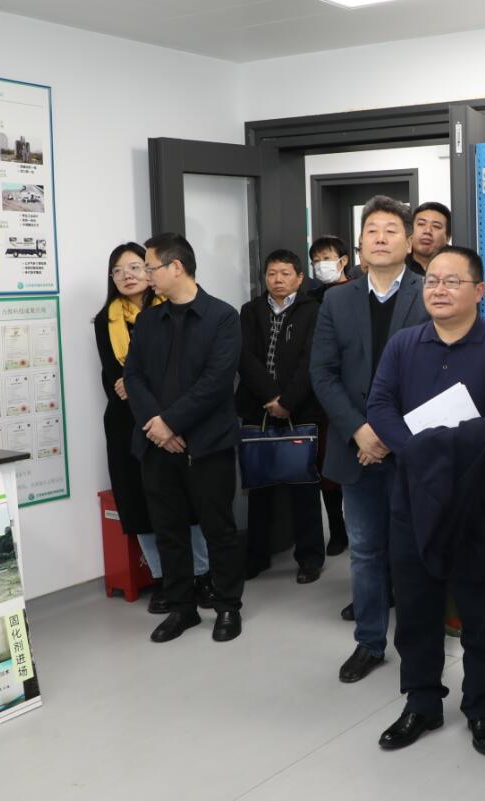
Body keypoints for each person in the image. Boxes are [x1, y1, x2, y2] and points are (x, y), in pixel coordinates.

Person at [366, 245, 485, 754]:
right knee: (416, 611)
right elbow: (379, 405)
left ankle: (481, 707)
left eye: (452, 281)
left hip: (479, 500)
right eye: (432, 280)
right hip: (413, 498)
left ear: (479, 291)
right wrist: (416, 449)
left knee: (482, 613)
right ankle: (421, 704)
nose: (438, 289)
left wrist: (429, 447)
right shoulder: (403, 344)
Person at [310, 196, 430, 682]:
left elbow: (437, 372)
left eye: (390, 230)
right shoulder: (336, 300)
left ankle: (420, 644)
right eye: (372, 231)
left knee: (415, 550)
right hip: (355, 446)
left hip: (412, 448)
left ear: (409, 242)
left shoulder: (429, 292)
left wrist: (388, 433)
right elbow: (323, 373)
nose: (380, 238)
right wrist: (360, 430)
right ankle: (370, 642)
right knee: (363, 550)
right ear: (359, 244)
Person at [124, 232, 244, 644]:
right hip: (157, 444)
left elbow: (216, 382)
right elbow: (133, 376)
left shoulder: (222, 317)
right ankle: (182, 608)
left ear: (176, 267)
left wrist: (171, 423)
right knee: (169, 529)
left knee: (218, 529)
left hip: (208, 444)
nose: (146, 276)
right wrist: (157, 426)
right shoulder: (148, 320)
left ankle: (228, 605)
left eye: (150, 267)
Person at [93, 243, 214, 614]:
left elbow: (173, 374)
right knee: (138, 504)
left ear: (151, 271)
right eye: (118, 271)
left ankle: (200, 574)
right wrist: (134, 388)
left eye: (135, 266)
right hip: (127, 423)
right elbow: (115, 380)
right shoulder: (105, 320)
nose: (127, 276)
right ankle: (164, 579)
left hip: (174, 419)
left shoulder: (173, 310)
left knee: (186, 502)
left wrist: (165, 417)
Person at [236, 249, 325, 584]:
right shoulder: (250, 311)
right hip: (257, 409)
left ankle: (310, 558)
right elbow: (244, 357)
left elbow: (311, 361)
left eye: (285, 273)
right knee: (259, 487)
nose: (277, 280)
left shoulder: (313, 311)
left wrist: (287, 401)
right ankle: (257, 557)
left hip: (300, 409)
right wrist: (270, 397)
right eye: (272, 273)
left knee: (304, 485)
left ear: (299, 278)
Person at [307, 235, 354, 556]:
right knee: (327, 468)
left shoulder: (357, 293)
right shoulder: (311, 299)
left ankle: (358, 526)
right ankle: (337, 529)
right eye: (316, 260)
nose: (321, 265)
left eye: (326, 258)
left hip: (353, 391)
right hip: (320, 396)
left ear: (343, 260)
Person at [405, 201, 451, 277]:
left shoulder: (458, 266)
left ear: (448, 237)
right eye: (421, 224)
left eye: (436, 226)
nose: (427, 231)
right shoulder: (396, 265)